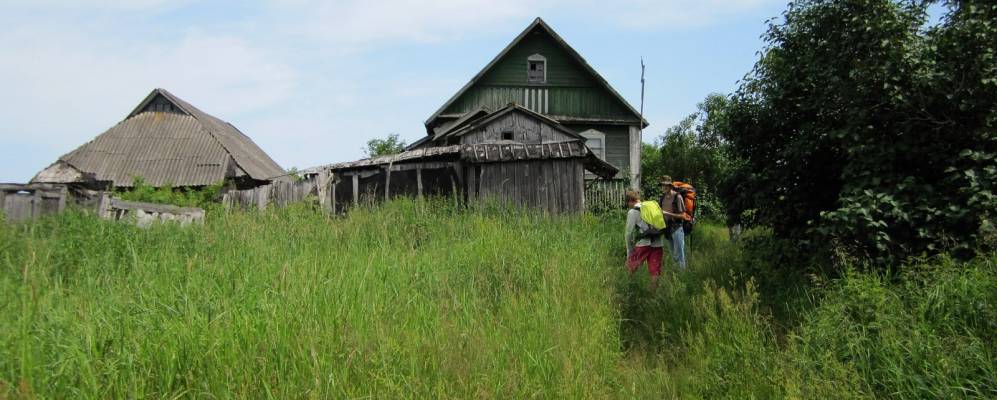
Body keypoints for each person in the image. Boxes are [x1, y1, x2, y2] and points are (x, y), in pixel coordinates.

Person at [624, 190, 664, 291]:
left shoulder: (632, 212)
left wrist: (629, 251)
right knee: (655, 270)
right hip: (658, 243)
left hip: (643, 244)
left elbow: (628, 233)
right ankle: (653, 293)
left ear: (630, 201)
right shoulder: (652, 208)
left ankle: (629, 290)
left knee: (630, 266)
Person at [659, 176, 689, 270]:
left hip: (677, 228)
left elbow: (683, 216)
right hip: (667, 228)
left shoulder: (678, 197)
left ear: (670, 186)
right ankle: (675, 276)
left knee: (680, 254)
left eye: (665, 185)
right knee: (673, 255)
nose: (663, 187)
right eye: (662, 185)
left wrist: (667, 213)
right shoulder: (663, 197)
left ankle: (683, 276)